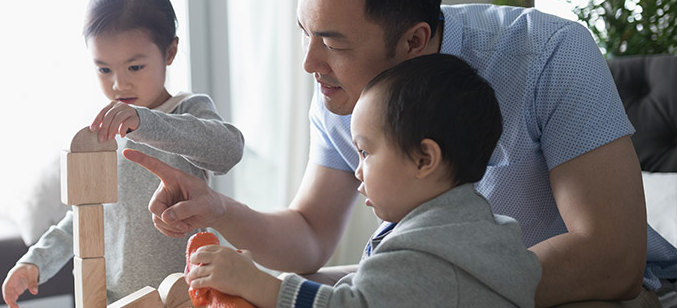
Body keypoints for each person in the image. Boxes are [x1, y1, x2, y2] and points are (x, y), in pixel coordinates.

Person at [125, 0, 677, 306]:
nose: (310, 62)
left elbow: (612, 258)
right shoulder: (344, 88)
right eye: (304, 32)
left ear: (413, 41)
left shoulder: (549, 53)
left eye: (334, 42)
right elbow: (312, 233)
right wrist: (219, 212)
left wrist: (417, 288)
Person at [176, 53, 541, 307]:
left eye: (366, 152)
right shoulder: (480, 231)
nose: (357, 170)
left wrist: (257, 283)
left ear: (423, 158)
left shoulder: (423, 254)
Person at [0, 0, 245, 307]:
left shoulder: (188, 111)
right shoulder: (103, 131)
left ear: (170, 51)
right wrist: (36, 262)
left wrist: (146, 122)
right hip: (112, 297)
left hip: (183, 294)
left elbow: (228, 150)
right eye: (103, 69)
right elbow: (86, 216)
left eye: (135, 66)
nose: (119, 83)